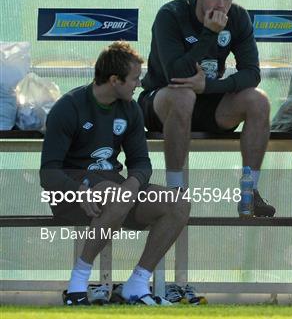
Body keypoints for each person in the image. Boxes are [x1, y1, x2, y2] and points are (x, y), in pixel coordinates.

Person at [40, 42, 190, 306]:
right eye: (134, 78)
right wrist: (78, 191)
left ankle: (137, 283)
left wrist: (133, 183)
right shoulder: (68, 107)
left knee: (179, 203)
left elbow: (141, 163)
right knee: (116, 193)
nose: (139, 83)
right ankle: (77, 285)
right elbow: (48, 173)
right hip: (74, 196)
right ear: (114, 80)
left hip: (118, 195)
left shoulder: (130, 109)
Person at [138, 0, 275, 217]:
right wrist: (209, 34)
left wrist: (210, 86)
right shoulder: (171, 15)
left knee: (259, 100)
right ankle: (176, 194)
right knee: (183, 95)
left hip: (208, 100)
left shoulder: (238, 17)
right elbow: (176, 75)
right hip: (162, 102)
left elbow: (252, 73)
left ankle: (250, 192)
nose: (221, 4)